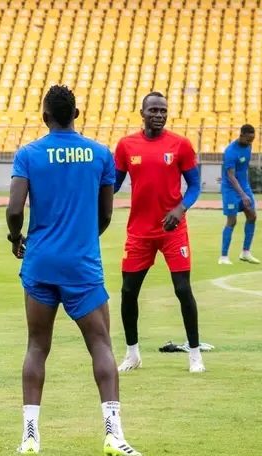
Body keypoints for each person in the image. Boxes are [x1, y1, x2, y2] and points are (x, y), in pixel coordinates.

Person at [7, 85, 141, 456]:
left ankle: (30, 437)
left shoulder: (29, 154)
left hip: (41, 263)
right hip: (82, 265)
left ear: (45, 115)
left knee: (37, 346)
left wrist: (16, 236)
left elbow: (16, 208)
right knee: (100, 345)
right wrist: (83, 236)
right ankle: (113, 435)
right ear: (76, 114)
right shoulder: (100, 155)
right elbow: (107, 214)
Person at [114, 92, 204, 374]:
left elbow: (195, 187)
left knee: (182, 290)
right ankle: (132, 354)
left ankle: (195, 354)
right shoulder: (126, 145)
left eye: (163, 110)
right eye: (153, 110)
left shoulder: (181, 145)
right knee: (128, 292)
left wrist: (180, 210)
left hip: (172, 229)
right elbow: (113, 186)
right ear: (142, 112)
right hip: (139, 231)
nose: (159, 115)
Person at [219, 124, 258, 265]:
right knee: (232, 221)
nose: (250, 143)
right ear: (241, 135)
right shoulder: (230, 152)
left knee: (252, 216)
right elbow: (231, 176)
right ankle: (223, 257)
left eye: (252, 140)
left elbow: (243, 169)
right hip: (230, 189)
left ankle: (245, 252)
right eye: (248, 140)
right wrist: (243, 195)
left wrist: (246, 190)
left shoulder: (248, 146)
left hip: (244, 187)